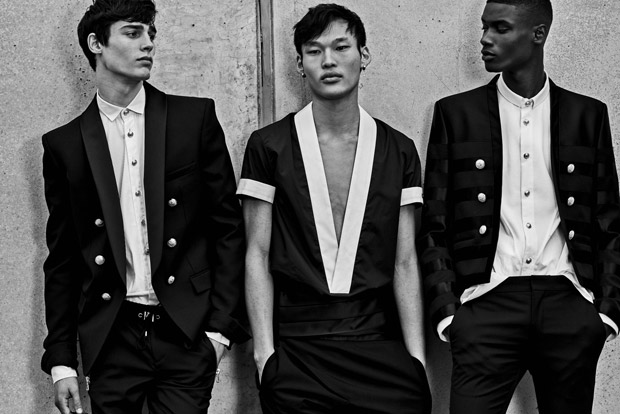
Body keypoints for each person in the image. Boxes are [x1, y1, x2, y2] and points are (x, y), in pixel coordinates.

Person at [40, 1, 248, 412]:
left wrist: (219, 332)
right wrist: (62, 361)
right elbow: (63, 258)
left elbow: (228, 227)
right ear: (96, 44)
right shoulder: (64, 145)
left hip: (186, 333)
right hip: (112, 337)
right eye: (133, 33)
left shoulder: (194, 119)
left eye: (151, 33)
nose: (148, 43)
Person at [418, 0, 620, 413]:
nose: (484, 39)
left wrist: (604, 315)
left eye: (500, 28)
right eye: (484, 27)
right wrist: (450, 314)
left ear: (538, 34)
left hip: (568, 304)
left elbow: (610, 222)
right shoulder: (456, 115)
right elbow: (434, 224)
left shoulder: (587, 116)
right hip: (485, 303)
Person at [237, 3, 432, 414]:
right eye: (314, 50)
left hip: (379, 342)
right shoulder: (269, 145)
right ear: (299, 64)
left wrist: (417, 360)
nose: (328, 60)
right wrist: (264, 357)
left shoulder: (398, 150)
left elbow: (405, 261)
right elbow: (256, 252)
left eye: (341, 47)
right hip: (297, 348)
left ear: (364, 55)